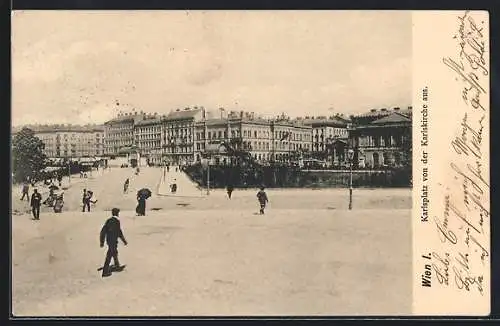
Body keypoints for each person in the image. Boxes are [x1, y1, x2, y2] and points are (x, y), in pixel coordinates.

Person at [99, 208, 128, 277]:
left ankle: (117, 265)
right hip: (113, 241)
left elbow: (103, 231)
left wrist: (102, 241)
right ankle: (105, 272)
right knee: (110, 254)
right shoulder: (116, 221)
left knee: (114, 252)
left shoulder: (108, 220)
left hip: (109, 240)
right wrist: (124, 240)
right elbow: (119, 232)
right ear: (117, 213)